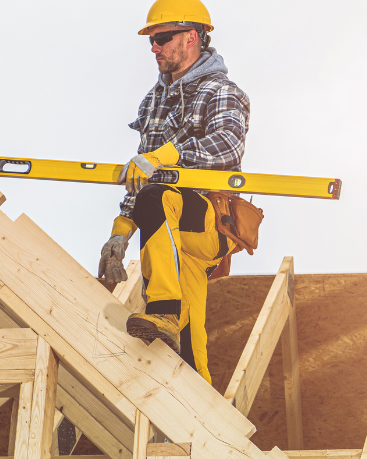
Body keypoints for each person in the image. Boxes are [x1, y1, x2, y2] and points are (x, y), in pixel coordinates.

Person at [97, 0, 250, 385]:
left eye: (162, 38)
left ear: (192, 38)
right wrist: (121, 232)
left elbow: (228, 146)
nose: (154, 47)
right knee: (184, 342)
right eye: (151, 39)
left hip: (209, 222)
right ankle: (208, 423)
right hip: (168, 235)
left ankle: (163, 307)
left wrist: (166, 156)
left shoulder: (222, 91)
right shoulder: (154, 101)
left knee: (157, 195)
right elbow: (142, 174)